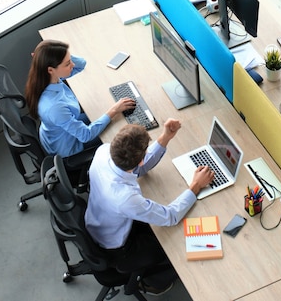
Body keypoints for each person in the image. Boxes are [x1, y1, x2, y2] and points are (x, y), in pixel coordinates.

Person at [84, 119, 215, 295]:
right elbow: (170, 216)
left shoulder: (103, 151)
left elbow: (139, 168)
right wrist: (196, 186)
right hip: (118, 249)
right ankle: (154, 283)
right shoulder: (125, 198)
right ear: (140, 159)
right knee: (182, 240)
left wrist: (166, 137)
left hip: (99, 223)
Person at [24, 39, 136, 158]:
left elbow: (81, 64)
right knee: (122, 133)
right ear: (50, 69)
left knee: (108, 114)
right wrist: (114, 110)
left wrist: (61, 54)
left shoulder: (47, 79)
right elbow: (85, 135)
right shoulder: (54, 107)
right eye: (67, 64)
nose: (72, 64)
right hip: (69, 147)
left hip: (60, 131)